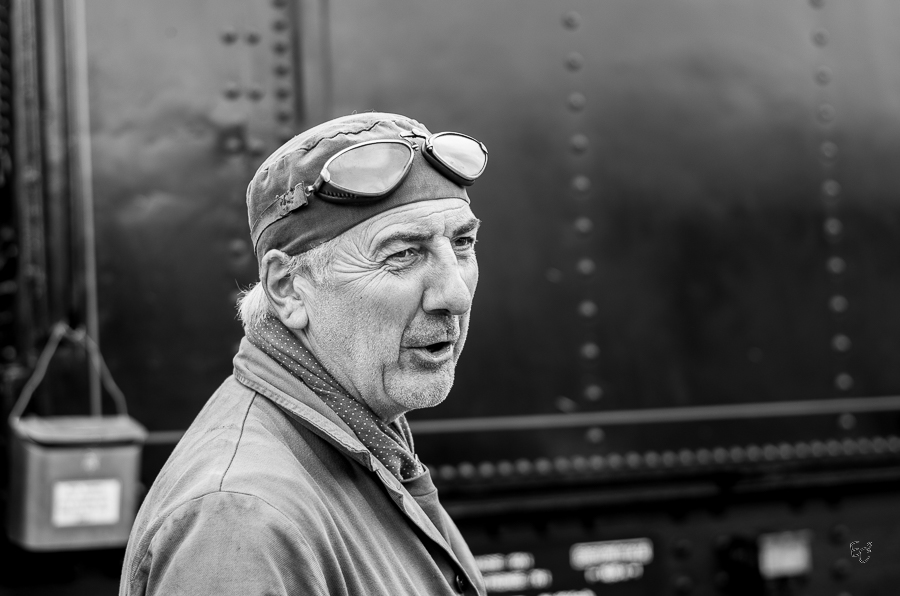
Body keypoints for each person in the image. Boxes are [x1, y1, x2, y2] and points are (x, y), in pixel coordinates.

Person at [119, 113, 488, 595]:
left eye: (462, 243)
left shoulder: (366, 439)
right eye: (403, 253)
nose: (455, 294)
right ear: (288, 288)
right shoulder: (239, 520)